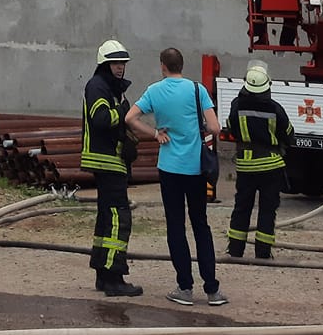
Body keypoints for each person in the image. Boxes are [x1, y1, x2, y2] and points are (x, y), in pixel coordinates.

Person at [138, 46, 226, 307]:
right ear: (182, 65)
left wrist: (155, 133)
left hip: (169, 168)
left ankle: (184, 287)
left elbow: (131, 117)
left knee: (175, 226)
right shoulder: (197, 90)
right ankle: (212, 289)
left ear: (162, 66)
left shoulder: (154, 91)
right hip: (195, 169)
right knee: (201, 224)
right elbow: (215, 127)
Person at [80, 39, 145, 298]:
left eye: (123, 63)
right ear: (104, 64)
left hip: (111, 160)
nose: (120, 67)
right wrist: (124, 112)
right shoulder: (98, 86)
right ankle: (114, 277)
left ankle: (103, 274)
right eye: (115, 63)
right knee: (119, 218)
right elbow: (101, 119)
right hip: (106, 160)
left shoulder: (111, 87)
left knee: (107, 217)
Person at [224, 61, 295, 260]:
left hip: (246, 166)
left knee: (242, 207)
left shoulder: (236, 106)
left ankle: (235, 250)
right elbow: (289, 135)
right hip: (271, 167)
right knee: (267, 209)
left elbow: (231, 128)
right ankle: (263, 253)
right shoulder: (275, 109)